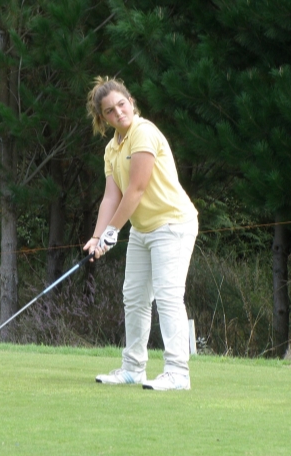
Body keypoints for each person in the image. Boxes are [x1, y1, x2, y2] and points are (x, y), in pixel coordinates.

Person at [83, 76, 198, 391]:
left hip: (173, 224)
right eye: (110, 110)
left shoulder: (143, 132)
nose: (119, 112)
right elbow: (112, 196)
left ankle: (178, 373)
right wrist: (97, 237)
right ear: (103, 118)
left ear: (131, 102)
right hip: (144, 228)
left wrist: (112, 233)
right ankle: (133, 368)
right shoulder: (112, 148)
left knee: (167, 295)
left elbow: (137, 188)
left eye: (122, 104)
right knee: (133, 297)